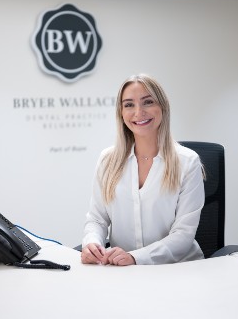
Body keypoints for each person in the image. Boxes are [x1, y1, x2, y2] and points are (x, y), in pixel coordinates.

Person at [81, 74, 205, 266]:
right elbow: (97, 219)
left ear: (162, 107)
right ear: (121, 113)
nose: (138, 112)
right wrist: (92, 243)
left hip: (179, 270)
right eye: (129, 105)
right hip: (124, 272)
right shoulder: (108, 161)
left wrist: (135, 257)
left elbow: (183, 235)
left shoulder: (187, 162)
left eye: (147, 102)